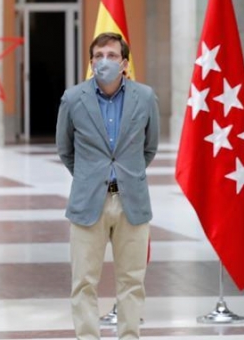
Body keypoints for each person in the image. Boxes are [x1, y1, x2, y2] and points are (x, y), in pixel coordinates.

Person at [55, 32, 160, 340]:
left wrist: (128, 174)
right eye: (99, 56)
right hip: (89, 202)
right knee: (84, 281)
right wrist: (90, 176)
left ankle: (130, 335)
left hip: (132, 202)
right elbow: (65, 149)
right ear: (90, 62)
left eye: (112, 56)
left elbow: (149, 148)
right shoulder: (73, 99)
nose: (105, 61)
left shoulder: (146, 96)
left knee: (132, 280)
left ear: (124, 63)